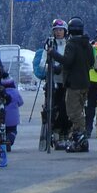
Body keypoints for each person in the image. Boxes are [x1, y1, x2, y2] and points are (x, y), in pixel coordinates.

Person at [53, 17, 95, 153]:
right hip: (85, 82)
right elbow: (92, 61)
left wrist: (53, 54)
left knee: (74, 113)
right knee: (80, 110)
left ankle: (80, 140)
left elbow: (68, 61)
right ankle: (79, 138)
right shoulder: (87, 44)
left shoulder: (71, 44)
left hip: (74, 84)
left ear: (69, 30)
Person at [35, 19, 69, 147]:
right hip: (52, 80)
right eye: (56, 30)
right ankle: (54, 133)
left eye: (60, 30)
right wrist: (51, 66)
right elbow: (42, 62)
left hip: (65, 81)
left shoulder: (68, 43)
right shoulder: (50, 44)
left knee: (65, 108)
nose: (58, 32)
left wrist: (62, 67)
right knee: (53, 108)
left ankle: (65, 132)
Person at [1, 73, 24, 150]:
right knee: (13, 131)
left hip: (3, 117)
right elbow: (21, 102)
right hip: (13, 118)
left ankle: (3, 142)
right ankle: (9, 140)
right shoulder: (15, 92)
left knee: (3, 131)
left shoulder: (1, 93)